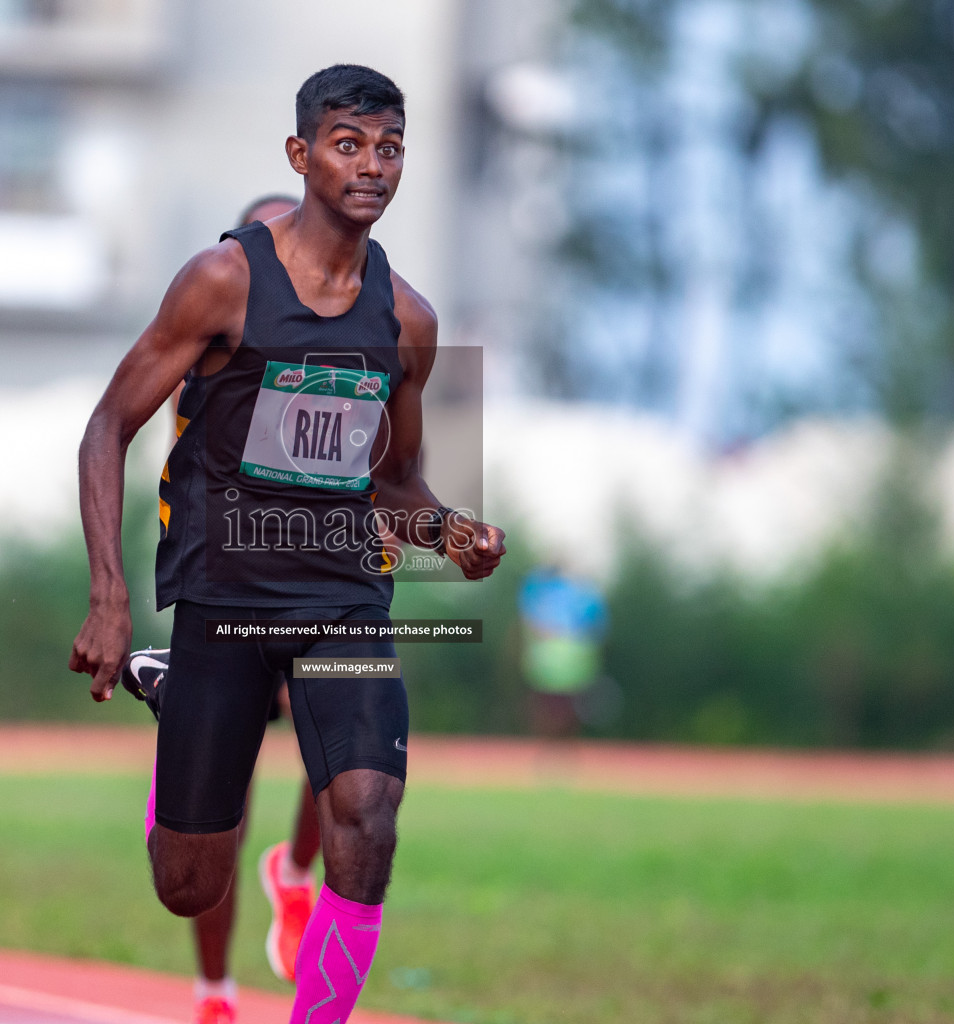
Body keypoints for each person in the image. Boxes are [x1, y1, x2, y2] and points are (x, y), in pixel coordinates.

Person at [69, 64, 506, 1024]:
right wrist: (109, 596)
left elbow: (392, 482)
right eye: (349, 144)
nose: (372, 166)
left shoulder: (408, 321)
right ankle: (175, 689)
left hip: (343, 598)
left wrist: (449, 530)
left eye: (390, 148)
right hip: (223, 600)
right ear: (302, 155)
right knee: (188, 883)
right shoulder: (223, 281)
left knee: (367, 815)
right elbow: (108, 426)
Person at [123, 193, 326, 1019]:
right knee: (219, 821)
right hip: (227, 589)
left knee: (351, 734)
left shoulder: (345, 334)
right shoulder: (217, 331)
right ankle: (214, 994)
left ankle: (298, 873)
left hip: (318, 585)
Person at [517, 566, 607, 738]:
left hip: (560, 664)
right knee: (561, 706)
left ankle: (554, 741)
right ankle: (559, 741)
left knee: (556, 706)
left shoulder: (545, 593)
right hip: (562, 664)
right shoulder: (585, 593)